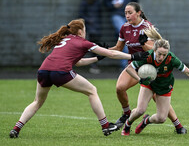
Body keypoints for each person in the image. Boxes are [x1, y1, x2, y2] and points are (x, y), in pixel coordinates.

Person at [9, 18, 149, 138]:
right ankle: (105, 126)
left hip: (43, 71)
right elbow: (111, 54)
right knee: (92, 91)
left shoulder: (63, 39)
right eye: (85, 29)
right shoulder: (83, 42)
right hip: (60, 72)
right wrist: (132, 56)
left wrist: (96, 59)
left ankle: (16, 129)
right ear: (80, 31)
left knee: (37, 102)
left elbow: (78, 62)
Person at [121, 26, 189, 136]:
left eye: (164, 54)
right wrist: (140, 79)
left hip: (164, 86)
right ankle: (127, 124)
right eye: (159, 54)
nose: (161, 57)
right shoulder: (147, 56)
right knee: (140, 110)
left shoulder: (172, 59)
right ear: (154, 50)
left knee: (161, 118)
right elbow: (129, 68)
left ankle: (146, 121)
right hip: (149, 85)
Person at [110, 2, 187, 134]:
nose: (127, 16)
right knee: (119, 88)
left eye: (130, 13)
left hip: (150, 67)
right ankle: (126, 113)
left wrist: (143, 44)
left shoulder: (147, 27)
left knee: (158, 96)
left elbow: (155, 50)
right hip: (134, 66)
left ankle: (178, 125)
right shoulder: (124, 28)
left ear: (138, 13)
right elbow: (118, 48)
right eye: (125, 13)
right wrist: (101, 51)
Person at [104, 0, 138, 70]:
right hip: (117, 15)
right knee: (126, 37)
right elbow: (106, 2)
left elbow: (136, 2)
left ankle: (129, 66)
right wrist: (113, 5)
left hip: (130, 17)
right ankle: (125, 66)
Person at [78, 0, 102, 74]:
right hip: (89, 28)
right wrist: (89, 20)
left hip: (97, 28)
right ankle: (92, 65)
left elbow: (99, 14)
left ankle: (94, 65)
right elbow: (81, 15)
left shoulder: (98, 3)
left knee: (95, 46)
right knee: (89, 47)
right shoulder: (84, 3)